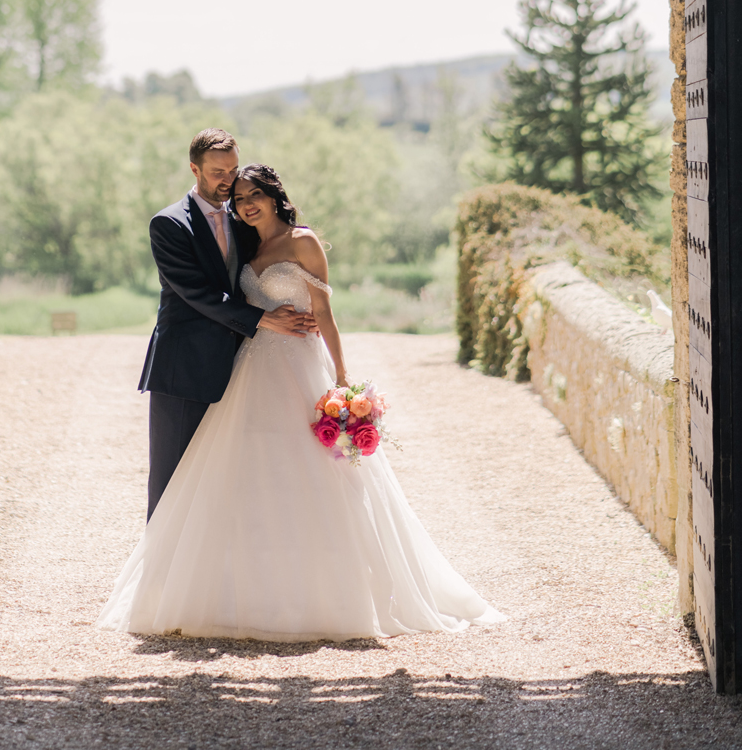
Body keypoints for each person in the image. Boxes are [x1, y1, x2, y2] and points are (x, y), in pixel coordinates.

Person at [99, 161, 505, 641]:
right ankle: (242, 589)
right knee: (247, 468)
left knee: (319, 468)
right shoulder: (247, 243)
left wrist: (343, 378)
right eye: (239, 198)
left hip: (299, 365)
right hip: (251, 366)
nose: (246, 204)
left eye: (254, 195)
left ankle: (330, 592)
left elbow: (325, 313)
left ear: (275, 196)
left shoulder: (303, 241)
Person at [137, 129, 316, 519]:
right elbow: (196, 293)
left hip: (241, 370)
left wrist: (304, 306)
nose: (228, 180)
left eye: (233, 170)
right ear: (194, 169)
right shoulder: (168, 224)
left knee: (230, 481)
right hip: (183, 371)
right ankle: (159, 560)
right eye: (218, 172)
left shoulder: (242, 220)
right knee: (172, 478)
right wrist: (265, 319)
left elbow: (266, 269)